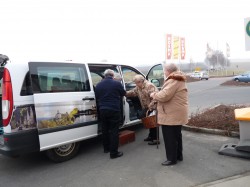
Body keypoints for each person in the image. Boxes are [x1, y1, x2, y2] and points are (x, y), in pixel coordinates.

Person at [150, 63, 188, 166]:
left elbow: (164, 96)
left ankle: (172, 159)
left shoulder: (173, 80)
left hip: (171, 114)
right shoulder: (178, 79)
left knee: (170, 137)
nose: (164, 73)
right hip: (175, 113)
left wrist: (154, 94)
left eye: (164, 71)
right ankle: (178, 156)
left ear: (168, 71)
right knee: (176, 136)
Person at [95, 69, 126, 159]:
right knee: (114, 131)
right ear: (113, 75)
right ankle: (113, 153)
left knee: (105, 130)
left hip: (102, 110)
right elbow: (123, 93)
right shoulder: (116, 84)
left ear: (105, 75)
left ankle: (106, 148)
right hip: (113, 109)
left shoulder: (98, 85)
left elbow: (97, 97)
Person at [126, 74, 159, 145]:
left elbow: (156, 96)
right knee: (149, 122)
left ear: (141, 81)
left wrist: (151, 105)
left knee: (153, 123)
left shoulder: (149, 86)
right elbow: (133, 92)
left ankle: (156, 139)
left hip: (152, 107)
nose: (136, 84)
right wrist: (124, 93)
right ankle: (151, 136)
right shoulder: (138, 87)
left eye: (137, 82)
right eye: (135, 83)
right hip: (146, 107)